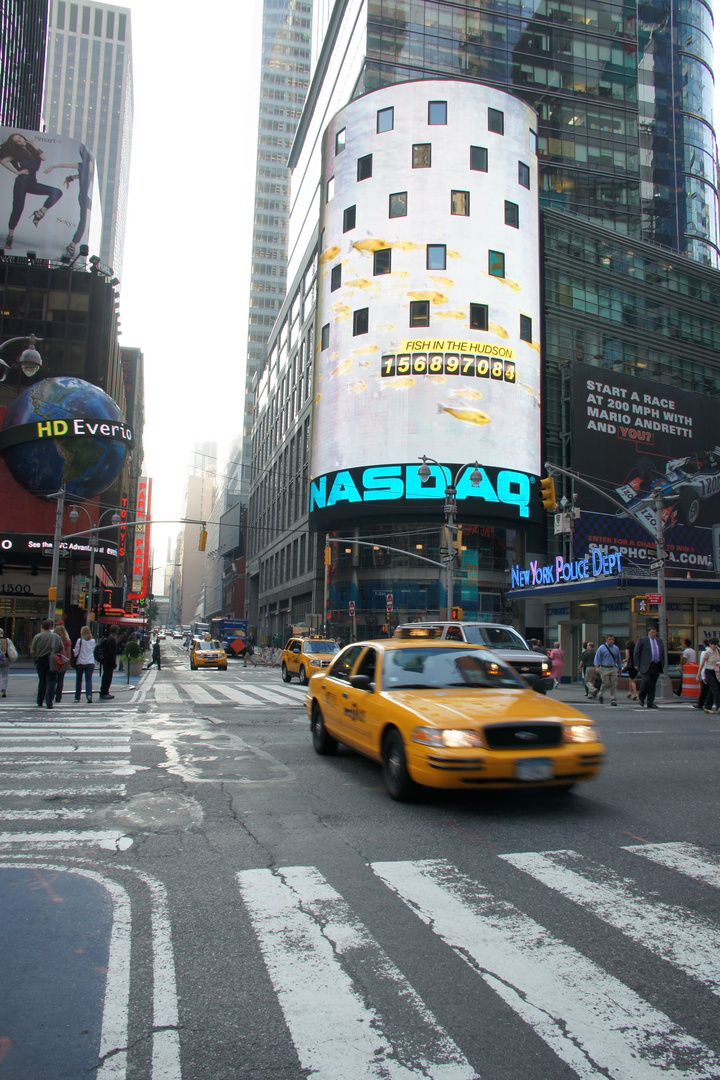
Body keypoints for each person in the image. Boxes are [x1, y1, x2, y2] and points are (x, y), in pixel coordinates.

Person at [0, 133, 63, 250]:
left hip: (32, 182)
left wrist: (34, 145)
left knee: (57, 192)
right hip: (22, 182)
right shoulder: (17, 153)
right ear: (16, 144)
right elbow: (3, 160)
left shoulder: (32, 149)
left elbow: (43, 158)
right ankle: (10, 236)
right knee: (18, 208)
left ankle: (40, 212)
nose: (21, 140)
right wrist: (17, 172)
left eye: (21, 138)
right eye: (17, 141)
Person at [43, 142, 92, 257]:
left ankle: (73, 244)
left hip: (85, 197)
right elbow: (68, 165)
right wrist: (53, 166)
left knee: (86, 219)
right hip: (82, 197)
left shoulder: (88, 168)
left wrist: (70, 178)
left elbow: (80, 176)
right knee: (83, 221)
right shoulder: (83, 165)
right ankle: (73, 244)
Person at [29, 618, 63, 709]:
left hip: (41, 660)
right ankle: (49, 702)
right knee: (52, 680)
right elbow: (61, 648)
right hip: (52, 660)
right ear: (51, 626)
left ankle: (40, 700)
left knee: (42, 680)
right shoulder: (56, 637)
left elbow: (32, 650)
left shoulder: (37, 637)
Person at [634, 627, 666, 709]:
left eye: (655, 632)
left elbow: (662, 653)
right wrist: (636, 663)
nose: (654, 634)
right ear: (648, 633)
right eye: (652, 632)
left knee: (652, 685)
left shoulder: (659, 641)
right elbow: (637, 652)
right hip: (646, 665)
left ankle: (650, 702)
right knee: (646, 682)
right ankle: (641, 698)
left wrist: (663, 663)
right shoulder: (643, 640)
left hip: (656, 665)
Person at [593, 634, 622, 705]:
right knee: (605, 683)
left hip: (613, 667)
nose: (611, 641)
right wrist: (597, 667)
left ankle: (613, 699)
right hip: (604, 667)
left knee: (613, 684)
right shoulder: (602, 648)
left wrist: (620, 668)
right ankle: (601, 694)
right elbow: (597, 658)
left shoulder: (616, 648)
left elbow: (619, 658)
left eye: (612, 639)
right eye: (610, 639)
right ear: (606, 639)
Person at [73, 625, 96, 702]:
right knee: (89, 679)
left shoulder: (80, 641)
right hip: (90, 661)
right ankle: (89, 695)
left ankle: (77, 697)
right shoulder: (93, 641)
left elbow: (76, 652)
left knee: (79, 680)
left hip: (80, 662)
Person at [697, 638, 720, 713]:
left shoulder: (718, 651)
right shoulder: (707, 652)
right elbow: (702, 664)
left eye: (716, 644)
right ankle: (718, 706)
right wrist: (699, 675)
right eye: (714, 644)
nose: (715, 646)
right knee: (715, 689)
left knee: (714, 689)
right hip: (709, 672)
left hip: (716, 672)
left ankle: (707, 707)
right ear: (710, 644)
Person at [53, 622, 72, 702]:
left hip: (53, 660)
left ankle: (51, 693)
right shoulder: (67, 641)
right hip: (62, 661)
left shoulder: (52, 639)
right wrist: (68, 662)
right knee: (61, 680)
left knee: (52, 678)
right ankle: (58, 697)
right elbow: (68, 653)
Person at [99, 625, 119, 700]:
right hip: (109, 662)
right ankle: (104, 692)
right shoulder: (112, 640)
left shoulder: (109, 639)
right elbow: (112, 652)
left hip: (106, 661)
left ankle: (104, 691)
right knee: (107, 677)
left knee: (106, 676)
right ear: (115, 631)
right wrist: (114, 663)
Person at [0, 628, 17, 698]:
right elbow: (11, 648)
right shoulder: (7, 640)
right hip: (5, 659)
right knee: (5, 674)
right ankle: (4, 689)